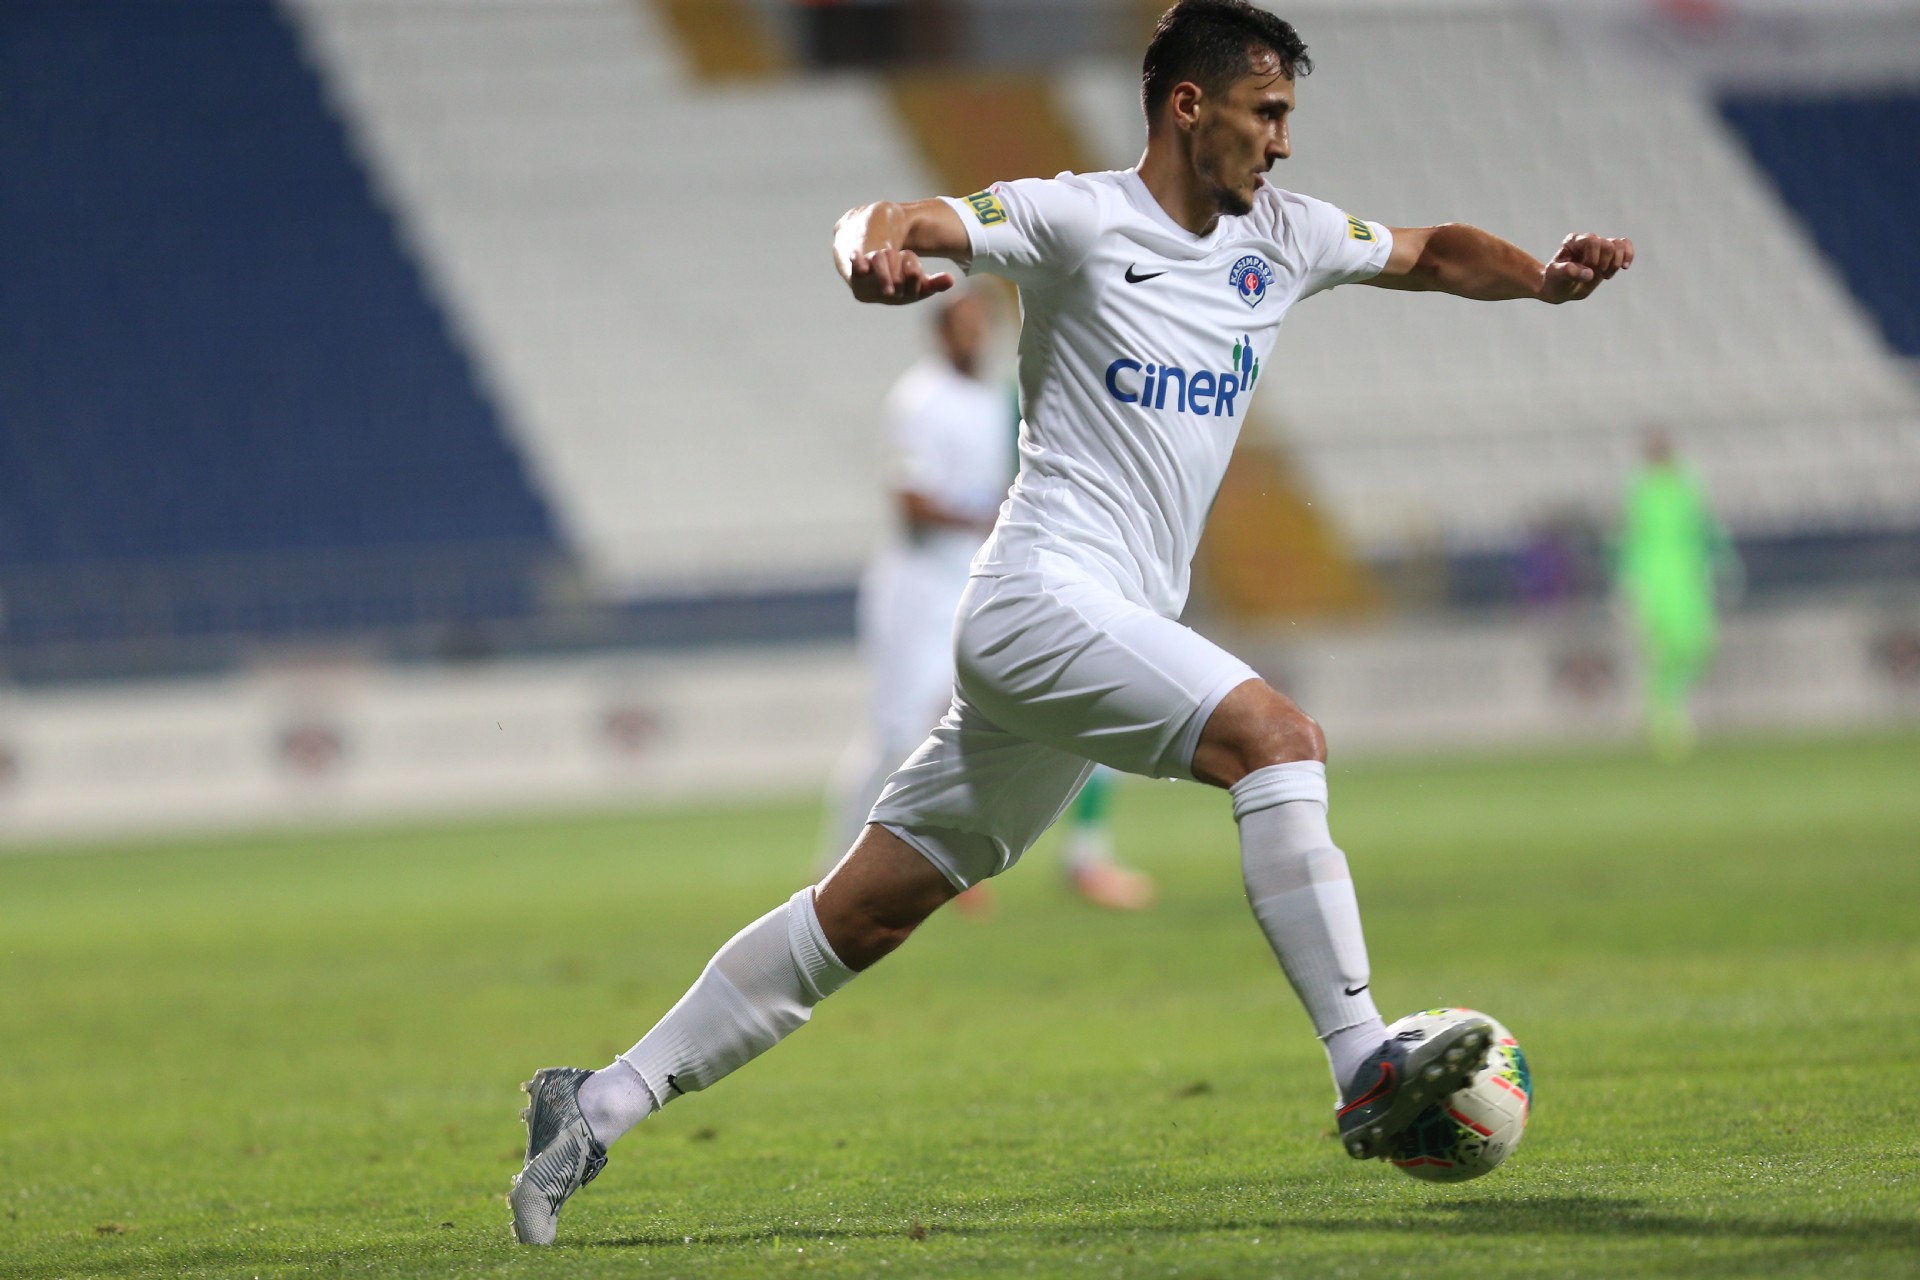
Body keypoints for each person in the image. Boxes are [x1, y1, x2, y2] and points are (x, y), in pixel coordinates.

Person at [509, 0, 1632, 1243]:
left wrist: (1542, 279)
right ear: (1190, 106)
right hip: (1040, 596)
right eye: (1267, 113)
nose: (1283, 141)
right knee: (1278, 739)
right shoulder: (1078, 217)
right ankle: (1363, 1055)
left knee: (864, 910)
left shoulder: (1287, 235)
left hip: (1096, 626)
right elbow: (897, 217)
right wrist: (866, 256)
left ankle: (596, 1100)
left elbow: (1429, 251)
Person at [820, 288, 1157, 914]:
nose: (974, 336)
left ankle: (1075, 856)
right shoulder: (920, 399)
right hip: (920, 589)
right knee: (897, 733)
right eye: (963, 326)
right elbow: (911, 503)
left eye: (983, 325)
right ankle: (841, 871)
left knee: (1075, 696)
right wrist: (993, 518)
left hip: (984, 581)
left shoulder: (1004, 399)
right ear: (939, 333)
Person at [1615, 428, 1736, 759]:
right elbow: (1629, 536)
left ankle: (1665, 704)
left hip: (1688, 575)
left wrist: (1721, 561)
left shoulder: (1688, 484)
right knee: (1662, 646)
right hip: (1654, 578)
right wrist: (1628, 582)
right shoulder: (1639, 489)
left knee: (1696, 644)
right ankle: (1664, 716)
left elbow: (1705, 526)